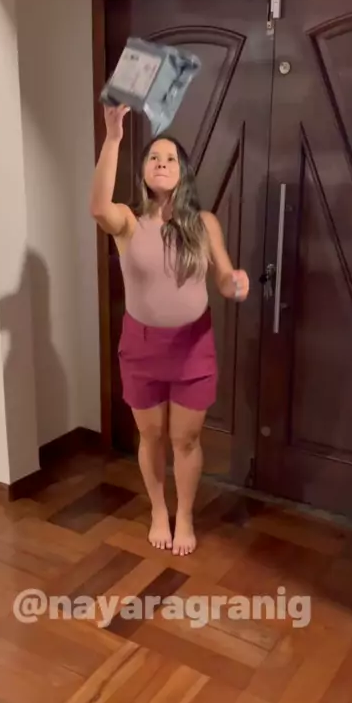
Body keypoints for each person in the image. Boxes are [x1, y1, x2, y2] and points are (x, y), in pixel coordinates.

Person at [90, 104, 249, 555]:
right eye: (154, 157)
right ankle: (159, 511)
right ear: (143, 171)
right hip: (141, 347)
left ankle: (186, 516)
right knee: (152, 436)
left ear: (184, 173)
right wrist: (114, 137)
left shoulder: (204, 223)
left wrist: (233, 283)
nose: (161, 163)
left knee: (186, 438)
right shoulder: (127, 222)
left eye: (171, 158)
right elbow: (97, 206)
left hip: (193, 347)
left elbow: (222, 275)